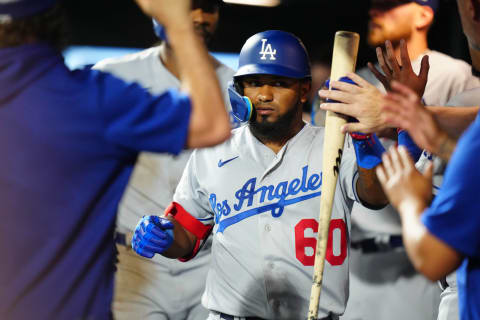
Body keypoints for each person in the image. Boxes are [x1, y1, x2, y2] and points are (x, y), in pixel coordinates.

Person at [131, 30, 388, 320]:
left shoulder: (334, 143)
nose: (265, 95)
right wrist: (164, 236)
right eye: (254, 83)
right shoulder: (212, 152)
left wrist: (366, 141)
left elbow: (376, 196)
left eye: (279, 83)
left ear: (305, 90)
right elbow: (187, 235)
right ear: (240, 89)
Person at [0, 0, 231, 319]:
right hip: (117, 268)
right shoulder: (89, 96)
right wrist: (178, 25)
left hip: (204, 255)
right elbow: (209, 123)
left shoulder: (235, 82)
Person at [316, 1, 480, 319]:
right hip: (364, 252)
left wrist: (402, 116)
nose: (375, 11)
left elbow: (467, 147)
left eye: (389, 6)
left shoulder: (455, 75)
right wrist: (408, 117)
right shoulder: (361, 79)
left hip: (424, 252)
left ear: (424, 14)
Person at [92, 1, 238, 319]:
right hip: (133, 259)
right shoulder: (115, 75)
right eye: (190, 6)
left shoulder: (237, 86)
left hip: (209, 260)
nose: (200, 17)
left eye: (209, 8)